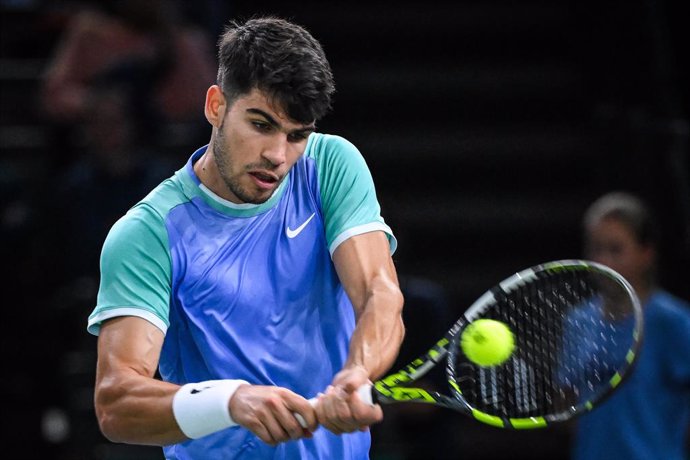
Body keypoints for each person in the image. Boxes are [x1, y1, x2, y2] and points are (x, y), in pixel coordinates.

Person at [87, 16, 405, 460]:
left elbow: (379, 294)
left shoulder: (330, 166)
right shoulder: (149, 233)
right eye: (260, 124)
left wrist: (356, 372)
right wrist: (231, 402)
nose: (277, 156)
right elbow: (116, 402)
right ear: (216, 105)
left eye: (297, 136)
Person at [571, 191, 690, 460]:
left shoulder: (673, 322)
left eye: (615, 249)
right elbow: (568, 407)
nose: (603, 262)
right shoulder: (577, 322)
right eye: (596, 249)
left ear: (645, 254)